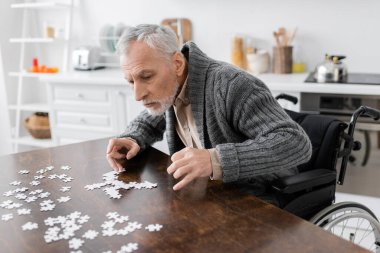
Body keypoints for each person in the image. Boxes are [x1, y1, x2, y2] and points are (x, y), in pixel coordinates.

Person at [106, 24, 312, 201]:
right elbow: (151, 118)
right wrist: (132, 138)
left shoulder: (232, 86)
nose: (138, 95)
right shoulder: (168, 88)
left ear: (177, 64)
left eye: (146, 77)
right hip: (210, 193)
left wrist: (216, 159)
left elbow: (296, 142)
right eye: (131, 81)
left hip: (260, 195)